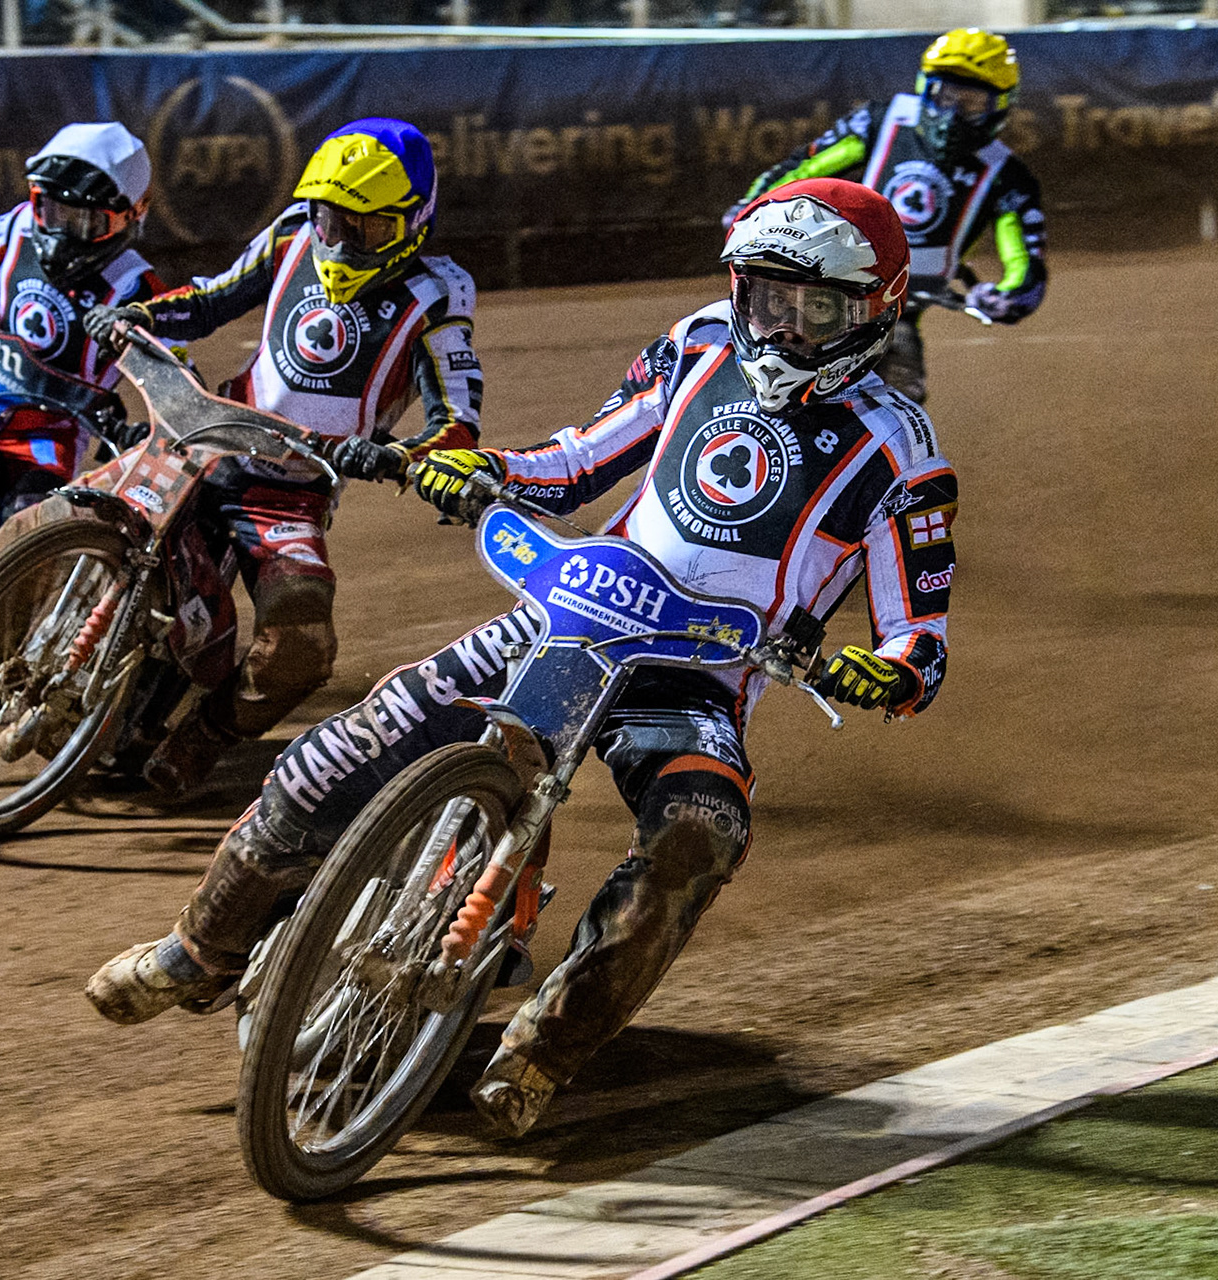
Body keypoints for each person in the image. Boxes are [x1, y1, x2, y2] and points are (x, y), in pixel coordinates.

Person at [85, 178, 958, 1138]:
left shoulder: (901, 451)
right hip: (569, 615)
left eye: (814, 308)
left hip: (696, 679)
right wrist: (487, 467)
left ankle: (547, 1048)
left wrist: (882, 669)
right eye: (766, 296)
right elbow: (580, 459)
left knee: (700, 831)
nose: (781, 327)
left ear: (874, 310)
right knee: (332, 757)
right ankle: (196, 950)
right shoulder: (701, 341)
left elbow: (920, 636)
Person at [81, 117, 483, 801]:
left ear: (415, 221)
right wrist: (144, 315)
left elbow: (457, 419)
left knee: (302, 637)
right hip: (208, 434)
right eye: (332, 221)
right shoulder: (293, 232)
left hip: (293, 488)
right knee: (75, 510)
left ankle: (204, 734)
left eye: (367, 227)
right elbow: (212, 299)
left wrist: (402, 458)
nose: (342, 242)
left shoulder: (438, 292)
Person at [725, 27, 1045, 403]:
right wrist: (751, 209)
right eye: (945, 94)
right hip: (826, 282)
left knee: (899, 404)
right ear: (925, 87)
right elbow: (805, 167)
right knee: (753, 372)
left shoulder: (1007, 175)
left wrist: (1008, 296)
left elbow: (1026, 260)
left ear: (1000, 106)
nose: (952, 113)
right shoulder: (881, 121)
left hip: (896, 311)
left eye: (971, 102)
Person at [0, 122, 165, 550]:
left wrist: (149, 430)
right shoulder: (20, 225)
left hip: (49, 434)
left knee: (24, 534)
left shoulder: (137, 287)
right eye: (52, 210)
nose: (60, 232)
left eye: (85, 220)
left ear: (130, 216)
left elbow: (169, 369)